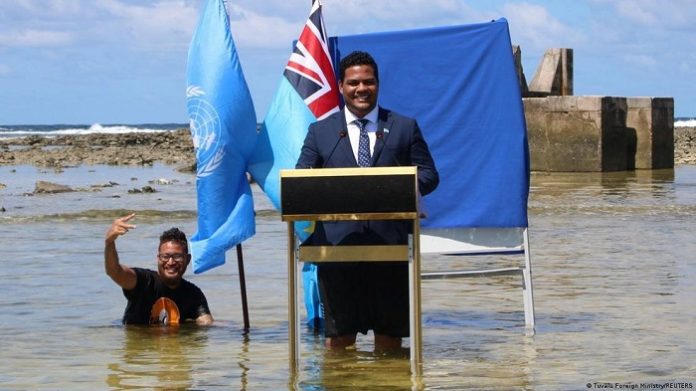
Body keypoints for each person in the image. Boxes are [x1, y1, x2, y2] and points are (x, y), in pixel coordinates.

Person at [296, 50, 439, 350]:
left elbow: (429, 175)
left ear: (377, 84)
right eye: (354, 83)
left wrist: (396, 190)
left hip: (391, 248)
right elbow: (301, 178)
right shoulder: (321, 131)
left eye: (369, 82)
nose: (362, 89)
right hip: (336, 250)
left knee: (389, 343)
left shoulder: (403, 127)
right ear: (341, 86)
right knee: (339, 343)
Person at [104, 213, 213, 325]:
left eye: (177, 256)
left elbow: (206, 324)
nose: (171, 262)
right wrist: (109, 242)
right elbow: (114, 271)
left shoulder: (193, 294)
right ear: (158, 258)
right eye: (165, 256)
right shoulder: (143, 282)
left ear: (188, 259)